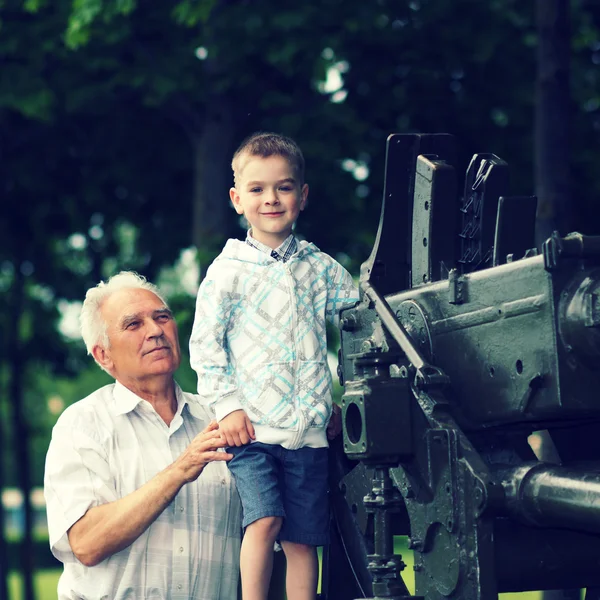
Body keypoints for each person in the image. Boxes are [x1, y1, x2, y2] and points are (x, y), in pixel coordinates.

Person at [189, 132, 359, 600]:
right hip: (252, 430)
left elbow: (361, 323)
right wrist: (226, 406)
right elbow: (205, 345)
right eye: (258, 189)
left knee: (304, 539)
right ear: (237, 198)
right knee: (264, 520)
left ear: (302, 197)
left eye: (283, 188)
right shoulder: (227, 271)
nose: (271, 199)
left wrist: (345, 399)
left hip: (308, 432)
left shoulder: (320, 268)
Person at [44, 271, 242, 600]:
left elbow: (269, 534)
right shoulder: (81, 425)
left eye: (162, 317)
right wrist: (179, 470)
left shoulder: (224, 419)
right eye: (133, 324)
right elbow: (87, 542)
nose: (155, 331)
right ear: (103, 355)